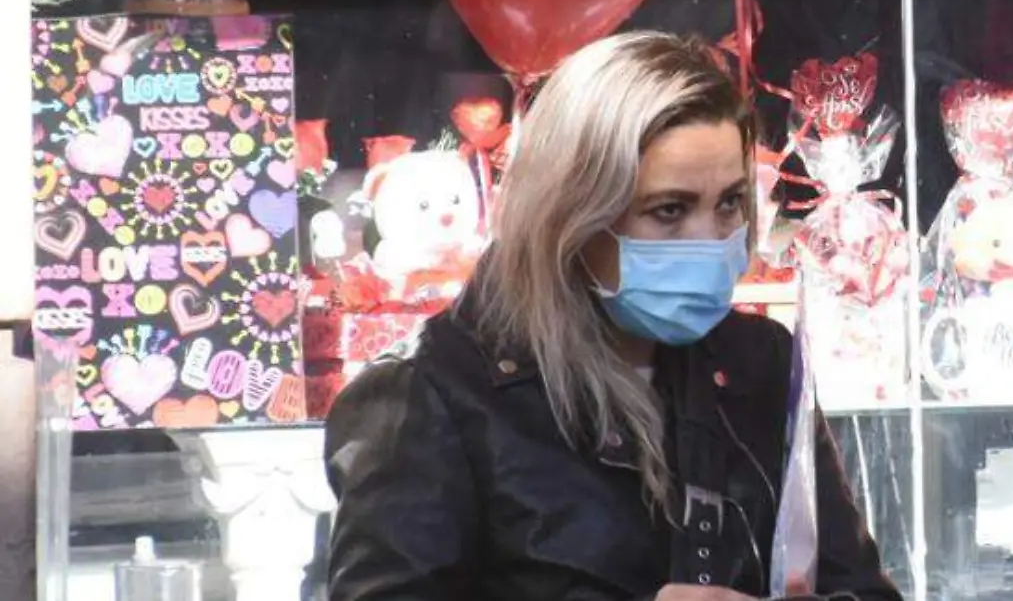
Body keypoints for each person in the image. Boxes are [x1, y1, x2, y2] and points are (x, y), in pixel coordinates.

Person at [324, 32, 902, 601]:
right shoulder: (429, 394)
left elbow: (859, 588)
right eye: (668, 210)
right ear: (570, 214)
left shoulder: (759, 364)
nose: (714, 241)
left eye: (729, 203)